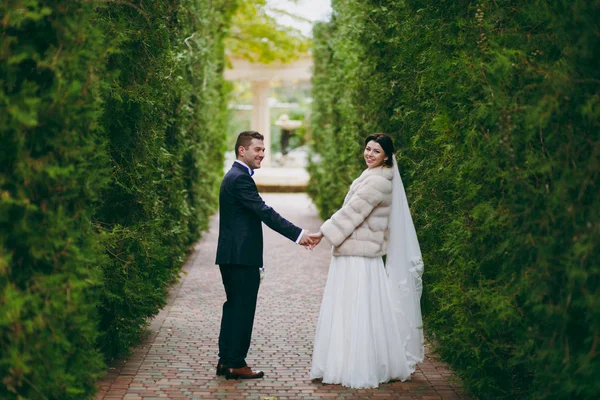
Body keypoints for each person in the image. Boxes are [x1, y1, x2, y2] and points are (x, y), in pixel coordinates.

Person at [308, 133, 425, 388]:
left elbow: (353, 212)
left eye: (376, 151)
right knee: (356, 308)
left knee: (357, 308)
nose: (369, 154)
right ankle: (353, 361)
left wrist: (324, 232)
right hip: (355, 250)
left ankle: (359, 366)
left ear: (386, 157)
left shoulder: (378, 181)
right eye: (368, 149)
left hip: (359, 254)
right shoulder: (373, 176)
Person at [215, 130, 314, 380]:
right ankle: (235, 363)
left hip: (231, 255)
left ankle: (226, 359)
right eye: (257, 149)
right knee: (242, 309)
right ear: (242, 150)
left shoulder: (235, 176)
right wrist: (298, 234)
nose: (262, 154)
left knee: (233, 307)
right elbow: (264, 212)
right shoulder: (240, 178)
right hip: (240, 257)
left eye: (263, 150)